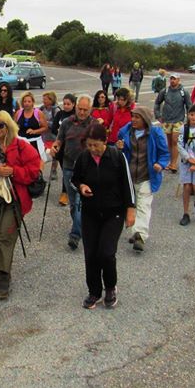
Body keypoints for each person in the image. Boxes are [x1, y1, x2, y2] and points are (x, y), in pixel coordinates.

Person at [0, 112, 41, 300]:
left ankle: (4, 276)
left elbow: (35, 169)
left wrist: (13, 171)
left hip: (14, 200)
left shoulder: (21, 147)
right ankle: (2, 271)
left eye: (1, 125)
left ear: (8, 126)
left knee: (5, 235)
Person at [71, 123, 135, 309]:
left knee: (106, 252)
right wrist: (81, 187)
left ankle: (110, 287)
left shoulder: (117, 156)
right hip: (90, 212)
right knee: (91, 253)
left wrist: (130, 209)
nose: (92, 149)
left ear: (105, 141)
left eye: (96, 145)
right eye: (89, 145)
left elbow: (127, 185)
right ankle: (94, 291)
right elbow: (74, 179)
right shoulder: (83, 158)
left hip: (113, 212)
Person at [116, 106, 169, 252]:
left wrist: (160, 164)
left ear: (145, 119)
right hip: (129, 176)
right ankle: (135, 231)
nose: (133, 120)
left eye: (137, 117)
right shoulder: (125, 131)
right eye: (132, 116)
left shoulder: (155, 133)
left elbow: (164, 153)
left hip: (147, 176)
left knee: (144, 205)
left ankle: (140, 235)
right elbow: (118, 152)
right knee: (131, 204)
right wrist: (119, 147)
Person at [48, 96, 94, 250]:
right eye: (79, 109)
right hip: (68, 166)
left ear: (90, 110)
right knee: (74, 204)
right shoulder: (67, 123)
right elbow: (59, 140)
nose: (81, 112)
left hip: (87, 170)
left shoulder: (94, 125)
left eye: (85, 110)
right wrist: (55, 147)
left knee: (80, 203)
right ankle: (83, 226)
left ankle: (75, 235)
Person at [154, 73, 192, 174]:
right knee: (170, 142)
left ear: (178, 80)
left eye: (174, 79)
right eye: (171, 79)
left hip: (178, 120)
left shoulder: (184, 92)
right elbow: (157, 102)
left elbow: (189, 106)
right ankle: (170, 162)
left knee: (175, 141)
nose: (172, 81)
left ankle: (174, 164)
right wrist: (158, 115)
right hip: (167, 120)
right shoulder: (165, 91)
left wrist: (190, 118)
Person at [52, 94, 76, 207]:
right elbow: (53, 128)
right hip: (61, 147)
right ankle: (65, 192)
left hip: (73, 147)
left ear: (73, 104)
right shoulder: (59, 114)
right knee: (65, 170)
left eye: (68, 104)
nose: (66, 106)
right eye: (64, 103)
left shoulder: (76, 115)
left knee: (73, 170)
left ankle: (68, 191)